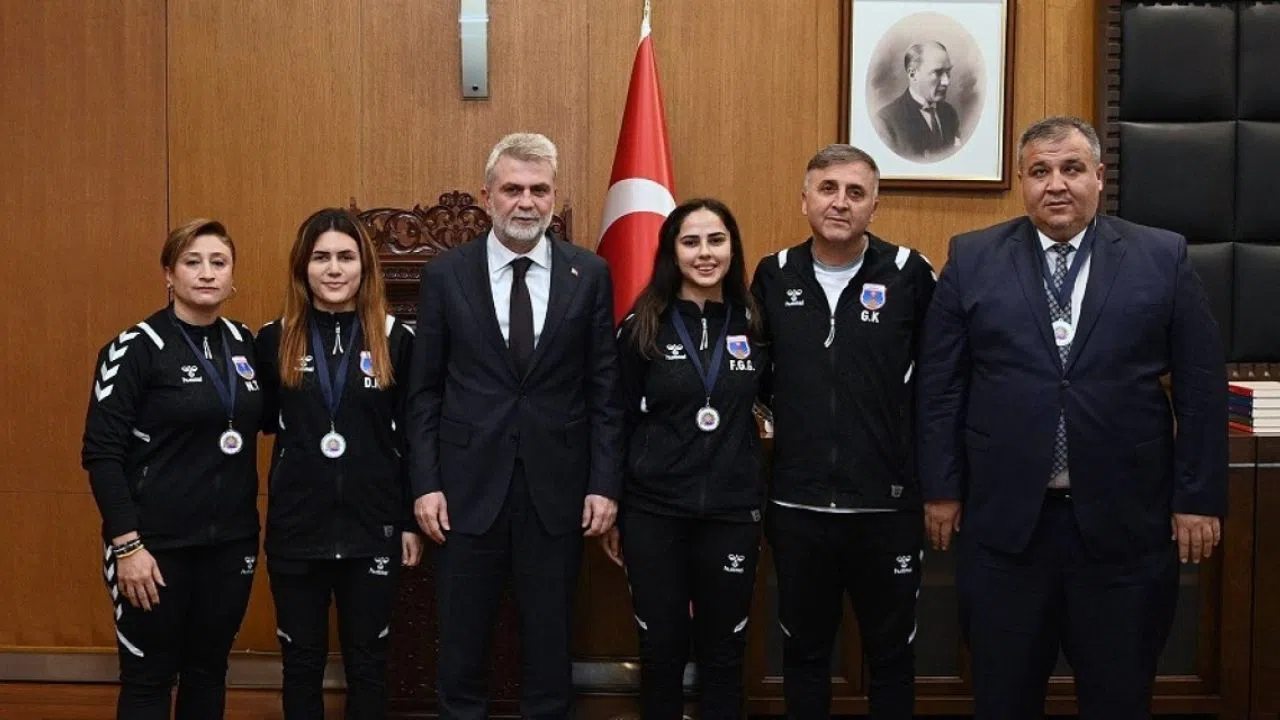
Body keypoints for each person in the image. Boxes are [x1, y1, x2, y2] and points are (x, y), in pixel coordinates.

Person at [916, 115, 1228, 719]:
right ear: (1020, 182)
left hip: (1124, 529)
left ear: (1099, 177)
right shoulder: (973, 257)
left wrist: (1198, 496)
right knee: (1003, 698)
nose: (1055, 184)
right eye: (1039, 172)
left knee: (1118, 698)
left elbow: (1200, 387)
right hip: (1006, 530)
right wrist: (942, 489)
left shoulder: (1161, 256)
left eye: (1071, 169)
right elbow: (939, 389)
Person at [406, 132, 622, 720]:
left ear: (554, 196)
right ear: (487, 196)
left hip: (558, 493)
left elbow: (606, 390)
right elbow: (423, 393)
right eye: (512, 189)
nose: (526, 202)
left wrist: (604, 483)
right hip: (464, 492)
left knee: (550, 647)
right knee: (461, 646)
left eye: (539, 189)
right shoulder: (447, 275)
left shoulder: (590, 274)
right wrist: (424, 486)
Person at [751, 144, 936, 719]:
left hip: (888, 506)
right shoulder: (773, 274)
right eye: (828, 188)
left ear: (874, 205)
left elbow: (940, 382)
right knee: (804, 655)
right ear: (804, 198)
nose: (840, 202)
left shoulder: (910, 273)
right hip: (798, 504)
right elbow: (752, 378)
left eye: (856, 192)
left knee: (892, 657)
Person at [81, 219, 263, 720]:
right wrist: (128, 545)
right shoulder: (134, 348)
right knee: (149, 678)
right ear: (169, 273)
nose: (206, 274)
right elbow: (101, 453)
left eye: (218, 263)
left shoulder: (245, 343)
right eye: (192, 262)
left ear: (232, 276)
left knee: (208, 671)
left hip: (230, 545)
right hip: (152, 550)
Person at [602, 198, 769, 719]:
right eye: (690, 241)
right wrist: (613, 499)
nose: (704, 253)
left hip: (732, 511)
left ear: (732, 249)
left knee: (724, 650)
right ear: (672, 251)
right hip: (654, 511)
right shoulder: (641, 325)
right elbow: (614, 419)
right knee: (662, 649)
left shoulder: (757, 324)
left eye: (716, 240)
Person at [255, 208, 423, 719]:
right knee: (301, 662)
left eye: (345, 257)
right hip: (296, 529)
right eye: (321, 257)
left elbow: (416, 437)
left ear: (364, 267)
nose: (333, 269)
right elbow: (254, 422)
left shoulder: (397, 339)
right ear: (302, 267)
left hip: (373, 528)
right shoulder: (272, 338)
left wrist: (410, 521)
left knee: (369, 662)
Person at [874, 41, 960, 162]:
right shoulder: (886, 121)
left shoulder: (950, 113)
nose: (946, 82)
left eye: (948, 72)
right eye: (938, 73)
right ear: (913, 74)